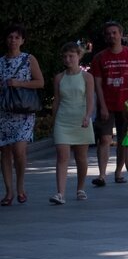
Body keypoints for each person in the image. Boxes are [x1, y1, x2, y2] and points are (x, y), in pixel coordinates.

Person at [90, 20, 128, 186]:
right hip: (106, 104)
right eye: (108, 34)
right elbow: (97, 84)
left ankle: (118, 172)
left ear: (121, 35)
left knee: (123, 140)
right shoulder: (100, 57)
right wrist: (102, 105)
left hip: (127, 104)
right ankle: (101, 175)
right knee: (104, 139)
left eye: (114, 33)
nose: (111, 36)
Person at [1, 25, 45, 206]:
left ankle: (20, 186)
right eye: (10, 37)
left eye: (17, 37)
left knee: (19, 151)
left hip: (24, 112)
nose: (13, 40)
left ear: (22, 40)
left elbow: (40, 82)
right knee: (5, 152)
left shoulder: (28, 59)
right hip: (4, 111)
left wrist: (18, 83)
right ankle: (9, 191)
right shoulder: (1, 61)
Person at [50, 42, 94, 205]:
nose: (68, 59)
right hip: (63, 120)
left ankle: (80, 188)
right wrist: (53, 121)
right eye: (65, 56)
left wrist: (88, 116)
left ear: (79, 56)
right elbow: (56, 101)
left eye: (71, 56)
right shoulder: (59, 78)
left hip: (81, 120)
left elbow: (90, 99)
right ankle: (60, 193)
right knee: (62, 157)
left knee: (81, 157)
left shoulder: (87, 77)